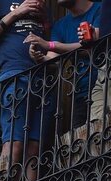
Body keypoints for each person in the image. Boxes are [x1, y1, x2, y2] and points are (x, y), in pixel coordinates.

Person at [0, 0, 52, 180]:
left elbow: (48, 43)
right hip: (15, 76)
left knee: (33, 150)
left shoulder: (42, 6)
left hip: (44, 81)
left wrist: (45, 23)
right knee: (14, 144)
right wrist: (16, 13)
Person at [24, 0, 101, 128]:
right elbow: (52, 60)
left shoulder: (101, 9)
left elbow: (92, 47)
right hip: (81, 93)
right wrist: (40, 57)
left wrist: (50, 45)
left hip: (104, 85)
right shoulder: (60, 25)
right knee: (81, 143)